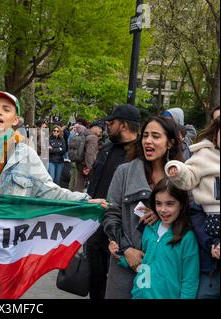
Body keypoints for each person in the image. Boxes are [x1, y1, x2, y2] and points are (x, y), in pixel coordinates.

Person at [0, 90, 106, 204]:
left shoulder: (26, 154)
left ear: (15, 120)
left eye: (6, 109)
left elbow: (49, 191)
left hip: (6, 247)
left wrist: (85, 201)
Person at [103, 115, 184, 299]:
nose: (148, 140)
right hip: (125, 266)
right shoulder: (124, 172)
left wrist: (161, 212)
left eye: (156, 136)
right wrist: (126, 249)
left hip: (164, 269)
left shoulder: (182, 177)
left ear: (170, 143)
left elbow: (190, 218)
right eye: (145, 135)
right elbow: (110, 214)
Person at [109, 178, 199, 298]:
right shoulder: (149, 229)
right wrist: (119, 254)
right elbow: (144, 264)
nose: (163, 209)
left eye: (170, 204)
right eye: (158, 203)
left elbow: (190, 281)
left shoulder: (187, 238)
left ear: (181, 205)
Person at [85, 104, 140, 299]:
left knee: (118, 280)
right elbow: (94, 183)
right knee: (95, 275)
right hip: (95, 226)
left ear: (124, 126)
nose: (108, 125)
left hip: (121, 231)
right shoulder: (106, 148)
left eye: (112, 122)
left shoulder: (140, 154)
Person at [165, 116, 220, 298]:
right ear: (215, 134)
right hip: (212, 219)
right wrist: (177, 170)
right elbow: (189, 175)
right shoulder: (204, 155)